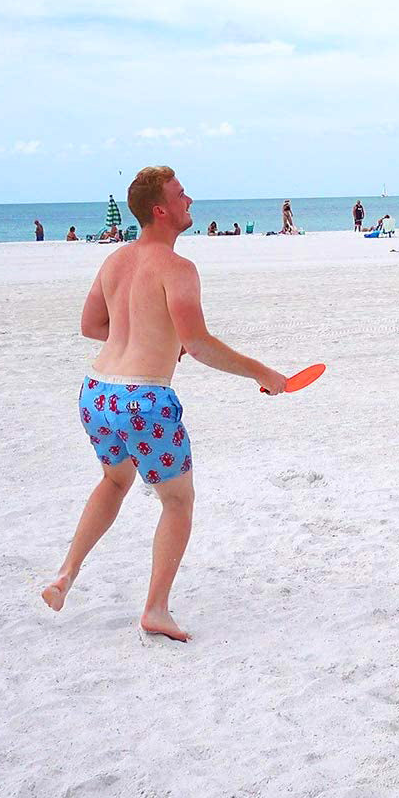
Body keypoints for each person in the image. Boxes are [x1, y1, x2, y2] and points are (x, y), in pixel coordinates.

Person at [41, 166, 288, 641]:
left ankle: (65, 574)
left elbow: (92, 326)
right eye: (180, 195)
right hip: (144, 398)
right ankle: (156, 608)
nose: (189, 199)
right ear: (161, 209)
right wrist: (263, 373)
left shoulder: (115, 261)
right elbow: (198, 344)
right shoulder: (178, 269)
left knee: (115, 482)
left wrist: (150, 337)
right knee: (177, 500)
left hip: (97, 392)